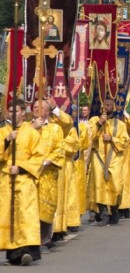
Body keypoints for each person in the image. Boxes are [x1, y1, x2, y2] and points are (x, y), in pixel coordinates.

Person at [0, 100, 43, 265]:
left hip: (25, 180)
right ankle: (14, 253)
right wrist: (6, 141)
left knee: (25, 214)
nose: (13, 114)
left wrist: (22, 168)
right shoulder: (3, 132)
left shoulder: (32, 132)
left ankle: (27, 251)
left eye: (16, 111)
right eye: (10, 111)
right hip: (6, 181)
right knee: (10, 216)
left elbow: (39, 156)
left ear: (23, 113)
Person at [87, 98, 130, 225]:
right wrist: (100, 123)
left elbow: (125, 142)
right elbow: (88, 137)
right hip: (99, 158)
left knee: (116, 186)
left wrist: (112, 138)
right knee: (99, 186)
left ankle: (114, 210)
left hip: (115, 159)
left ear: (114, 107)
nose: (107, 106)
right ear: (102, 106)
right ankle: (103, 214)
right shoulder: (94, 121)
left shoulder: (120, 124)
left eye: (110, 104)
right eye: (105, 104)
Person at [32, 100, 65, 250]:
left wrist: (46, 161)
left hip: (47, 174)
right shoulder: (27, 127)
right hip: (29, 175)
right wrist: (33, 128)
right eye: (35, 107)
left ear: (47, 111)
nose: (38, 110)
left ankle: (45, 239)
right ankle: (30, 241)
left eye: (41, 108)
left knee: (46, 208)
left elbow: (59, 149)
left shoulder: (55, 129)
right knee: (29, 208)